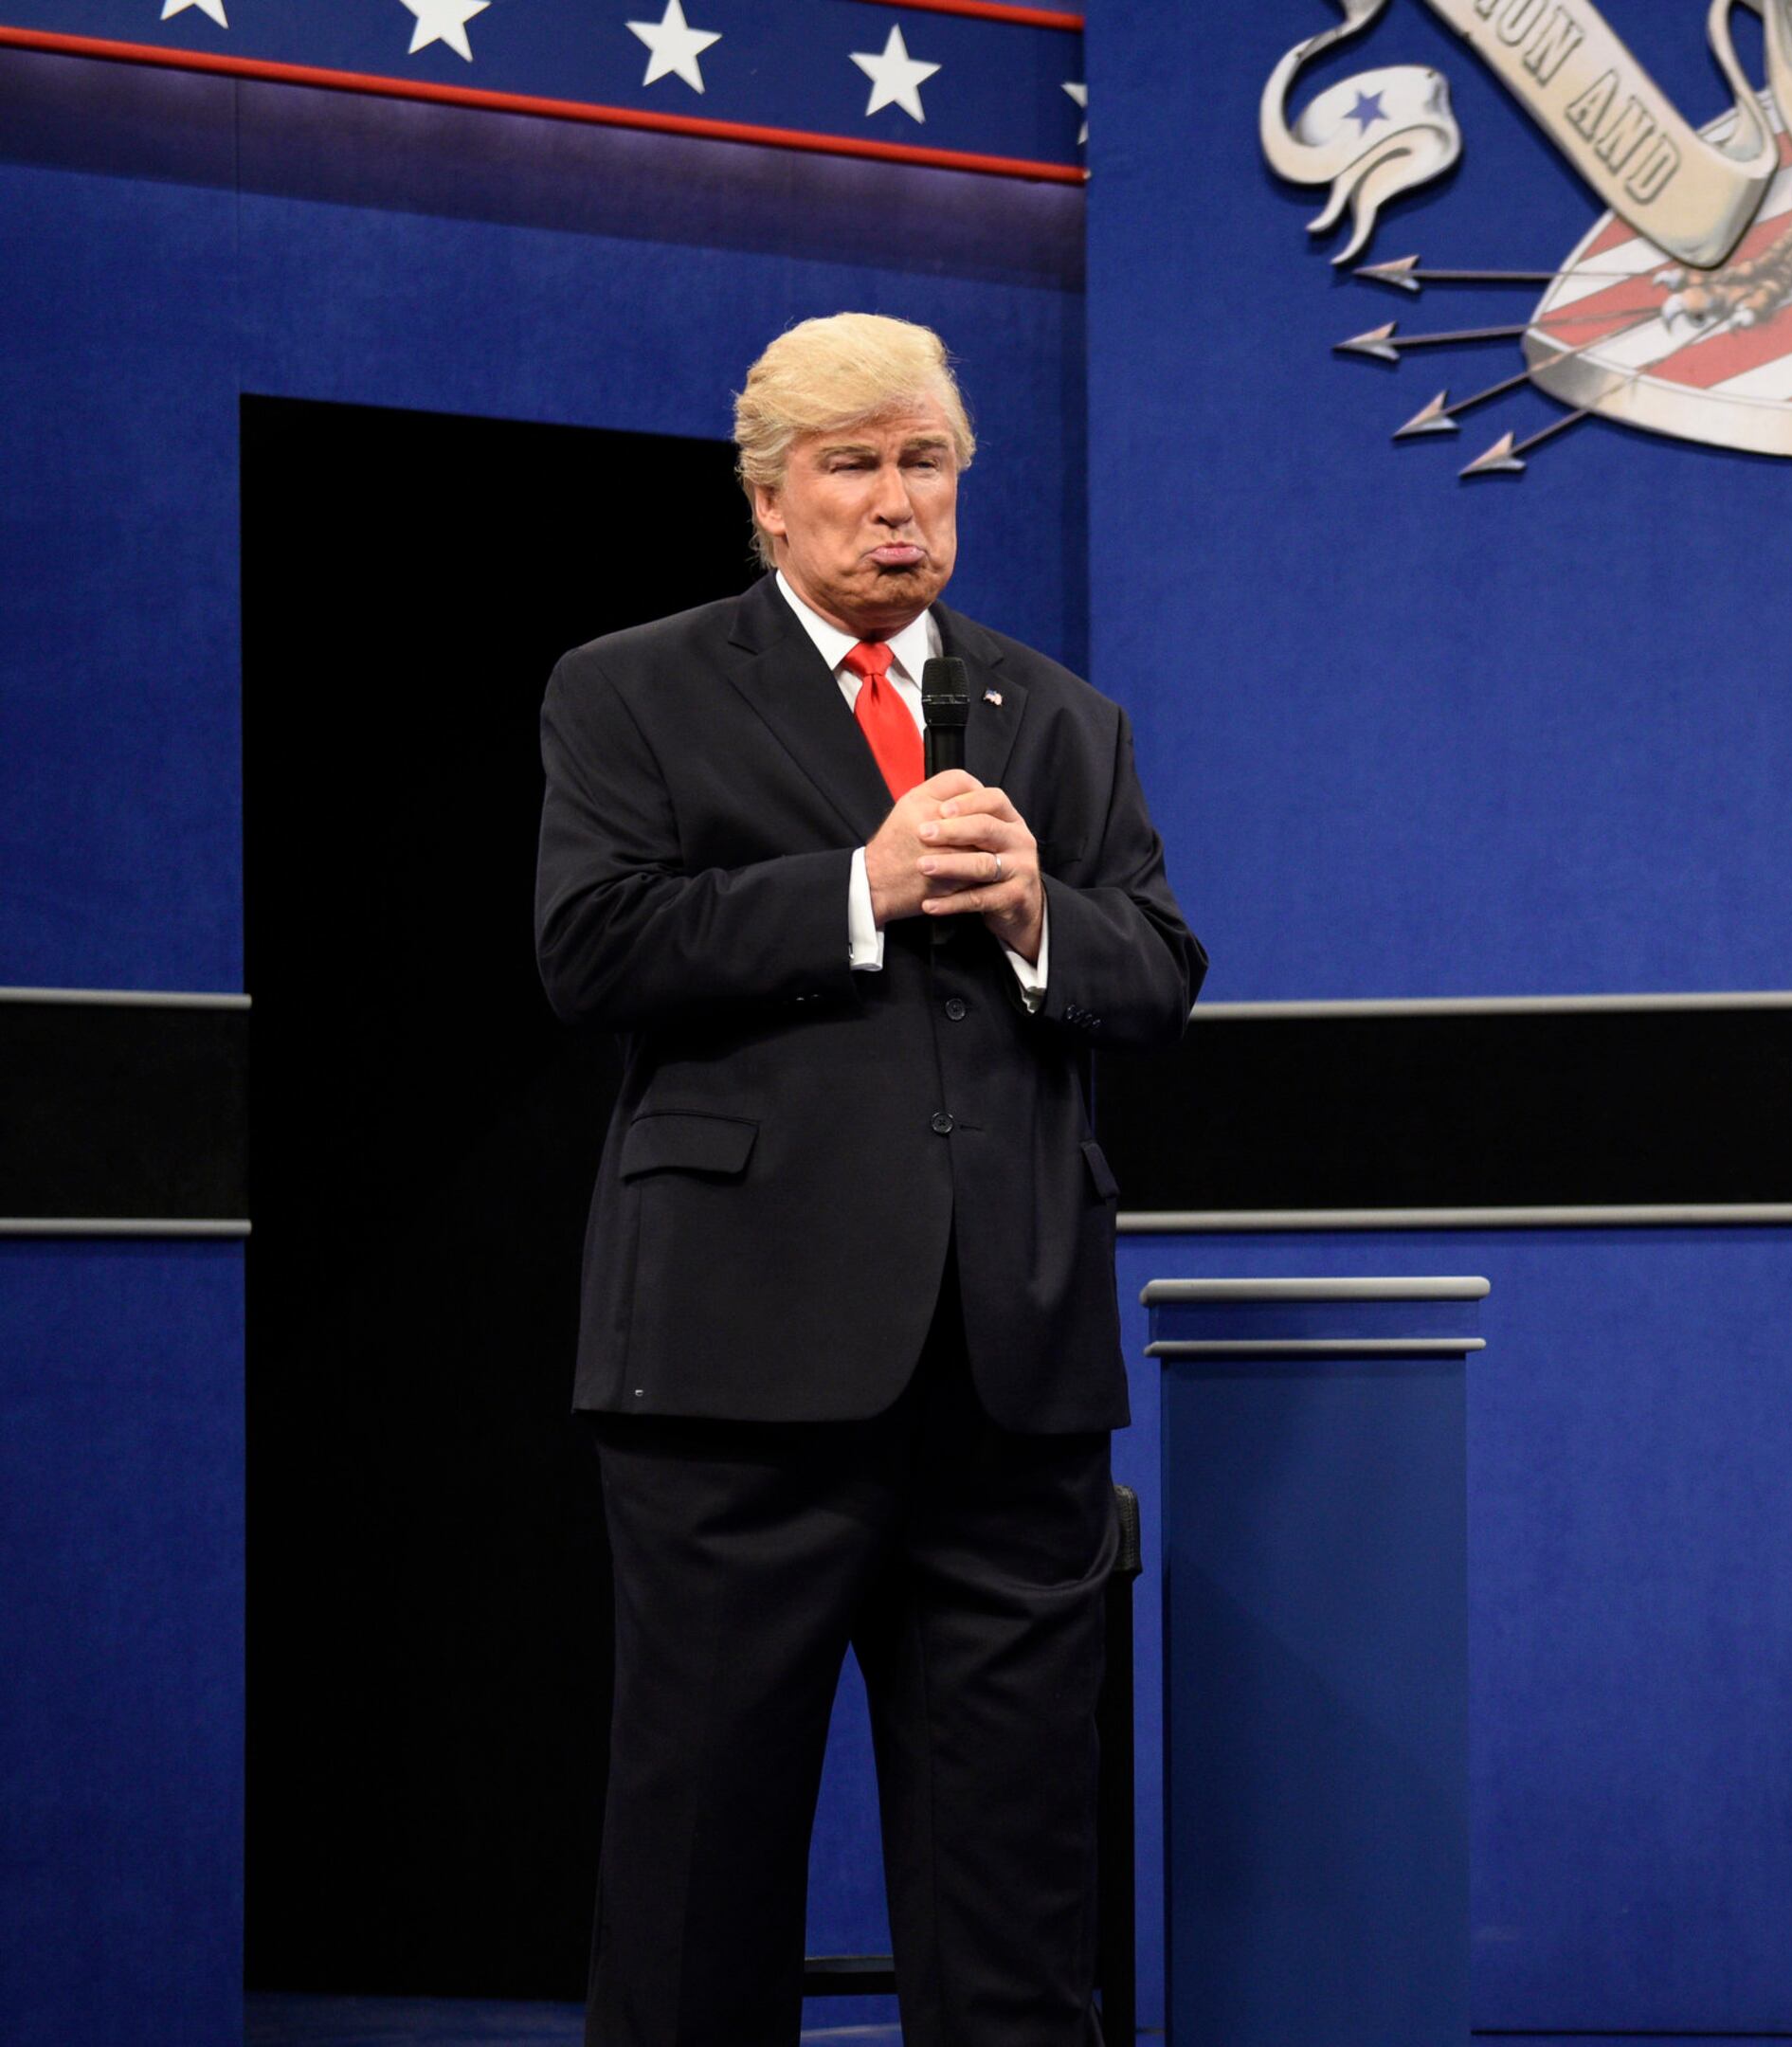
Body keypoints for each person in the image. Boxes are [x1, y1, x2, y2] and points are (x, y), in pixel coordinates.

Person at [534, 312, 1207, 2047]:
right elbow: (592, 950)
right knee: (700, 1888)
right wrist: (863, 884)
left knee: (1014, 1905)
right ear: (771, 504)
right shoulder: (633, 688)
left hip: (1012, 1383)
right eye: (852, 469)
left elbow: (1161, 969)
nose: (895, 506)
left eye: (926, 465)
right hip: (733, 1384)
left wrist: (1040, 912)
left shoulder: (1062, 717)